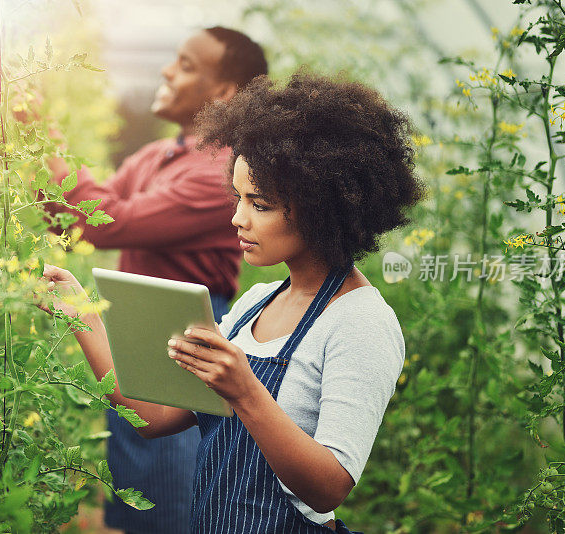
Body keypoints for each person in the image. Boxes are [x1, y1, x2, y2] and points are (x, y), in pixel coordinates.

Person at [37, 71, 425, 533]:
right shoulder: (254, 305)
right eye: (238, 197)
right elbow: (152, 418)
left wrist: (244, 390)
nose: (237, 218)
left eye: (259, 204)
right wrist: (79, 313)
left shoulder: (361, 321)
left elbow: (329, 487)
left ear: (324, 205)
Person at [30, 27, 268, 534]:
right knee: (138, 485)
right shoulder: (155, 157)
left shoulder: (222, 173)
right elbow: (79, 220)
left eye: (185, 64)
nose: (166, 70)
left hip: (183, 335)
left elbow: (104, 219)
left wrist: (40, 129)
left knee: (170, 495)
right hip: (135, 327)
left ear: (223, 91)